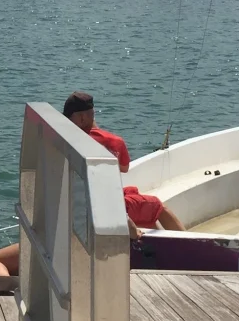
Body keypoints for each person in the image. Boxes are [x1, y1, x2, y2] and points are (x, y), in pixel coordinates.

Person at [62, 92, 186, 238]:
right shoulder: (113, 141)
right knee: (158, 205)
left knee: (133, 194)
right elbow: (124, 167)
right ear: (85, 117)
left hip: (81, 204)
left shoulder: (68, 140)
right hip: (107, 206)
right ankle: (188, 242)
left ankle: (154, 241)